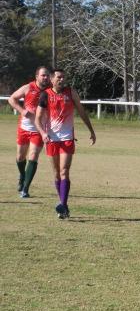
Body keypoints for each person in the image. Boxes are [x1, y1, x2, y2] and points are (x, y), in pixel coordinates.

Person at [35, 69, 96, 219]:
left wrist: (91, 130)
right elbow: (37, 119)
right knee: (56, 173)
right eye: (59, 77)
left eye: (63, 77)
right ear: (51, 79)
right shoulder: (45, 95)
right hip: (51, 139)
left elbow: (81, 112)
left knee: (64, 171)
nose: (62, 80)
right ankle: (64, 206)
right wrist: (43, 134)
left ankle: (63, 203)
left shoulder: (71, 93)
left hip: (67, 138)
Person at [8, 66, 51, 198]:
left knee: (33, 156)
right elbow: (12, 99)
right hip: (24, 128)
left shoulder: (51, 91)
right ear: (37, 76)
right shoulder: (28, 87)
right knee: (21, 157)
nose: (46, 77)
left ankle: (25, 188)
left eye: (47, 75)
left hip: (39, 129)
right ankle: (22, 175)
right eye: (43, 75)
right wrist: (22, 111)